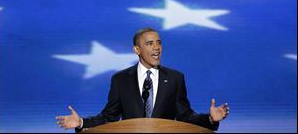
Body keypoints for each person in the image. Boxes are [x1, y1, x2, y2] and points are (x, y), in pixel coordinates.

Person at [56, 27, 229, 131]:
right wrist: (80, 123)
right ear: (137, 50)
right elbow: (109, 117)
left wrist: (210, 119)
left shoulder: (175, 78)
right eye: (150, 43)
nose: (157, 48)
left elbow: (185, 116)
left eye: (159, 43)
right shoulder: (120, 79)